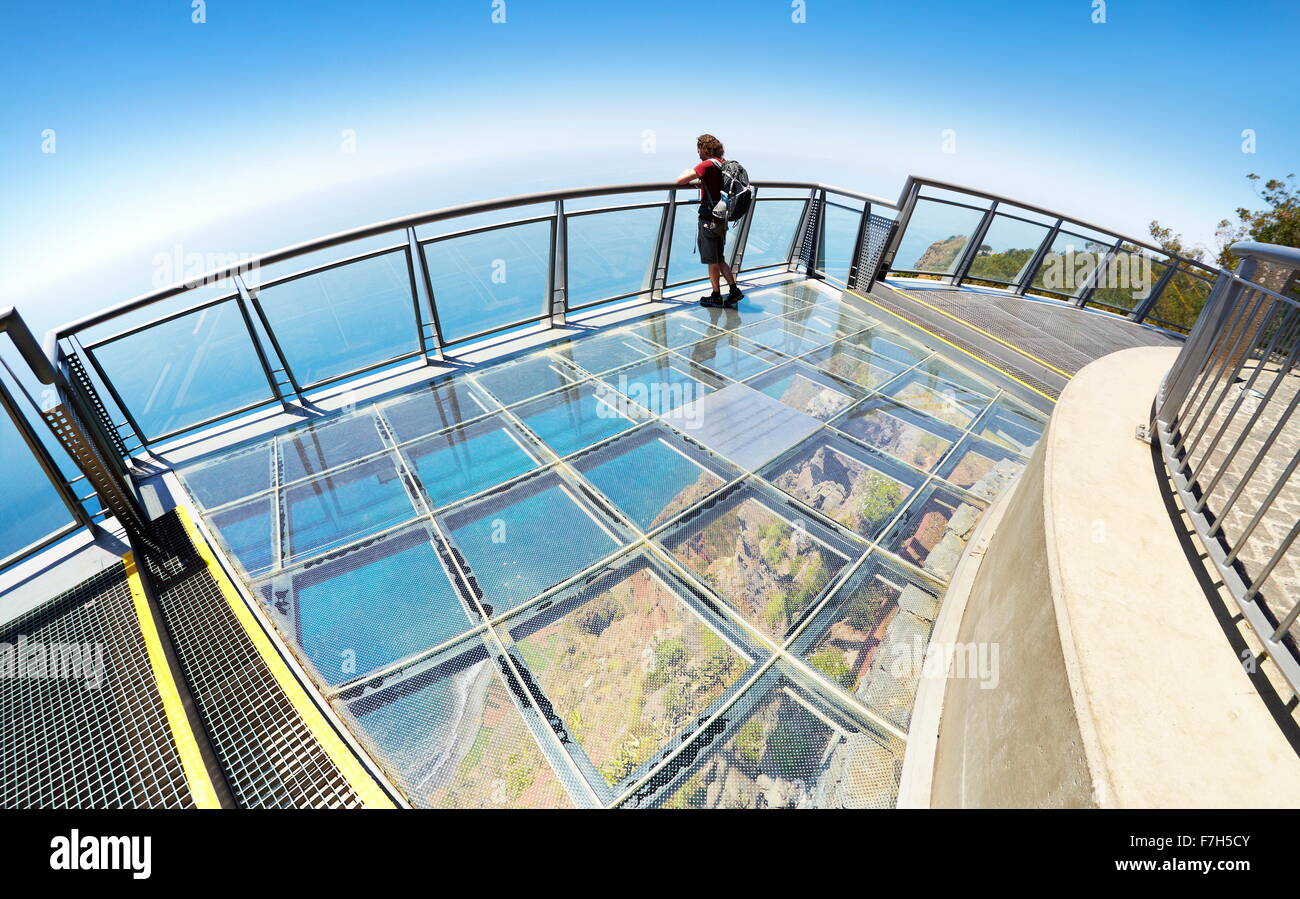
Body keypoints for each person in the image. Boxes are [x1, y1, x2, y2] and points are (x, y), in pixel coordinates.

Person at [677, 134, 743, 308]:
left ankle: (716, 295)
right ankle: (734, 290)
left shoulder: (706, 165)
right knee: (720, 257)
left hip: (708, 219)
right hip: (723, 218)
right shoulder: (723, 163)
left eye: (698, 148)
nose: (697, 152)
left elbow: (681, 180)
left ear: (703, 148)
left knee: (712, 260)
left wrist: (686, 172)